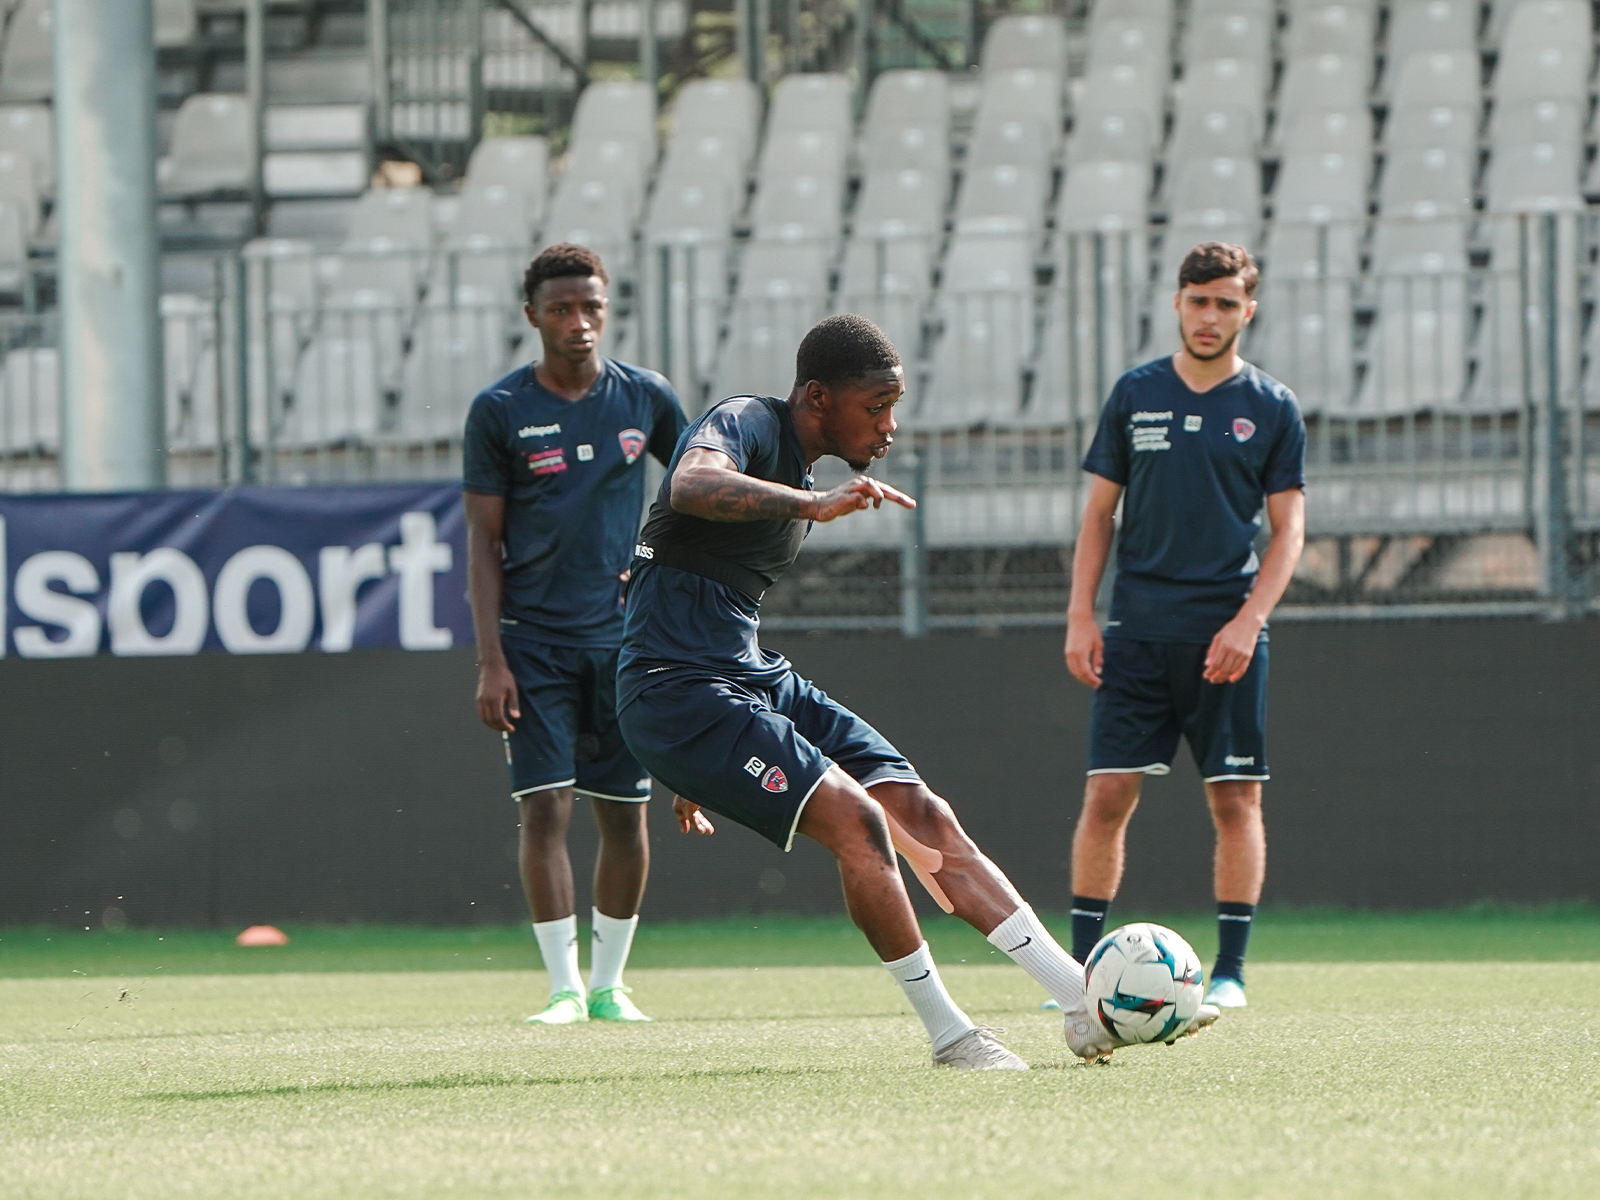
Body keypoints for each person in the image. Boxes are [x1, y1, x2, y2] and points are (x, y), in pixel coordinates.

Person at [616, 313, 1217, 1067]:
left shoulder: (800, 466)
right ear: (815, 397)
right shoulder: (745, 423)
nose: (890, 426)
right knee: (860, 823)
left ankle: (1080, 1001)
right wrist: (812, 505)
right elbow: (690, 482)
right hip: (675, 689)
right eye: (876, 406)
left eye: (893, 406)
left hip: (741, 678)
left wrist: (697, 766)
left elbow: (686, 573)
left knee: (921, 812)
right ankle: (951, 1036)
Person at [1063, 242, 1307, 1010]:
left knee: (1235, 801)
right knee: (1107, 796)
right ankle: (1077, 977)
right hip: (1136, 628)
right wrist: (1080, 615)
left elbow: (1289, 531)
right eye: (1198, 301)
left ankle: (1230, 973)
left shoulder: (1272, 407)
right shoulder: (1135, 393)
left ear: (1248, 310)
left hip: (1225, 636)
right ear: (1177, 303)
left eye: (1226, 303)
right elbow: (1099, 515)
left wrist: (1248, 622)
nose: (1210, 316)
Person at [464, 243, 687, 1025]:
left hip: (625, 644)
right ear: (533, 316)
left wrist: (651, 559)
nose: (579, 322)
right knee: (546, 809)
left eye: (590, 306)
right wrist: (492, 660)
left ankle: (609, 985)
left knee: (625, 815)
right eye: (561, 308)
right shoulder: (500, 411)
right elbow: (482, 546)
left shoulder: (645, 399)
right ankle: (562, 986)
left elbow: (693, 492)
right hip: (532, 644)